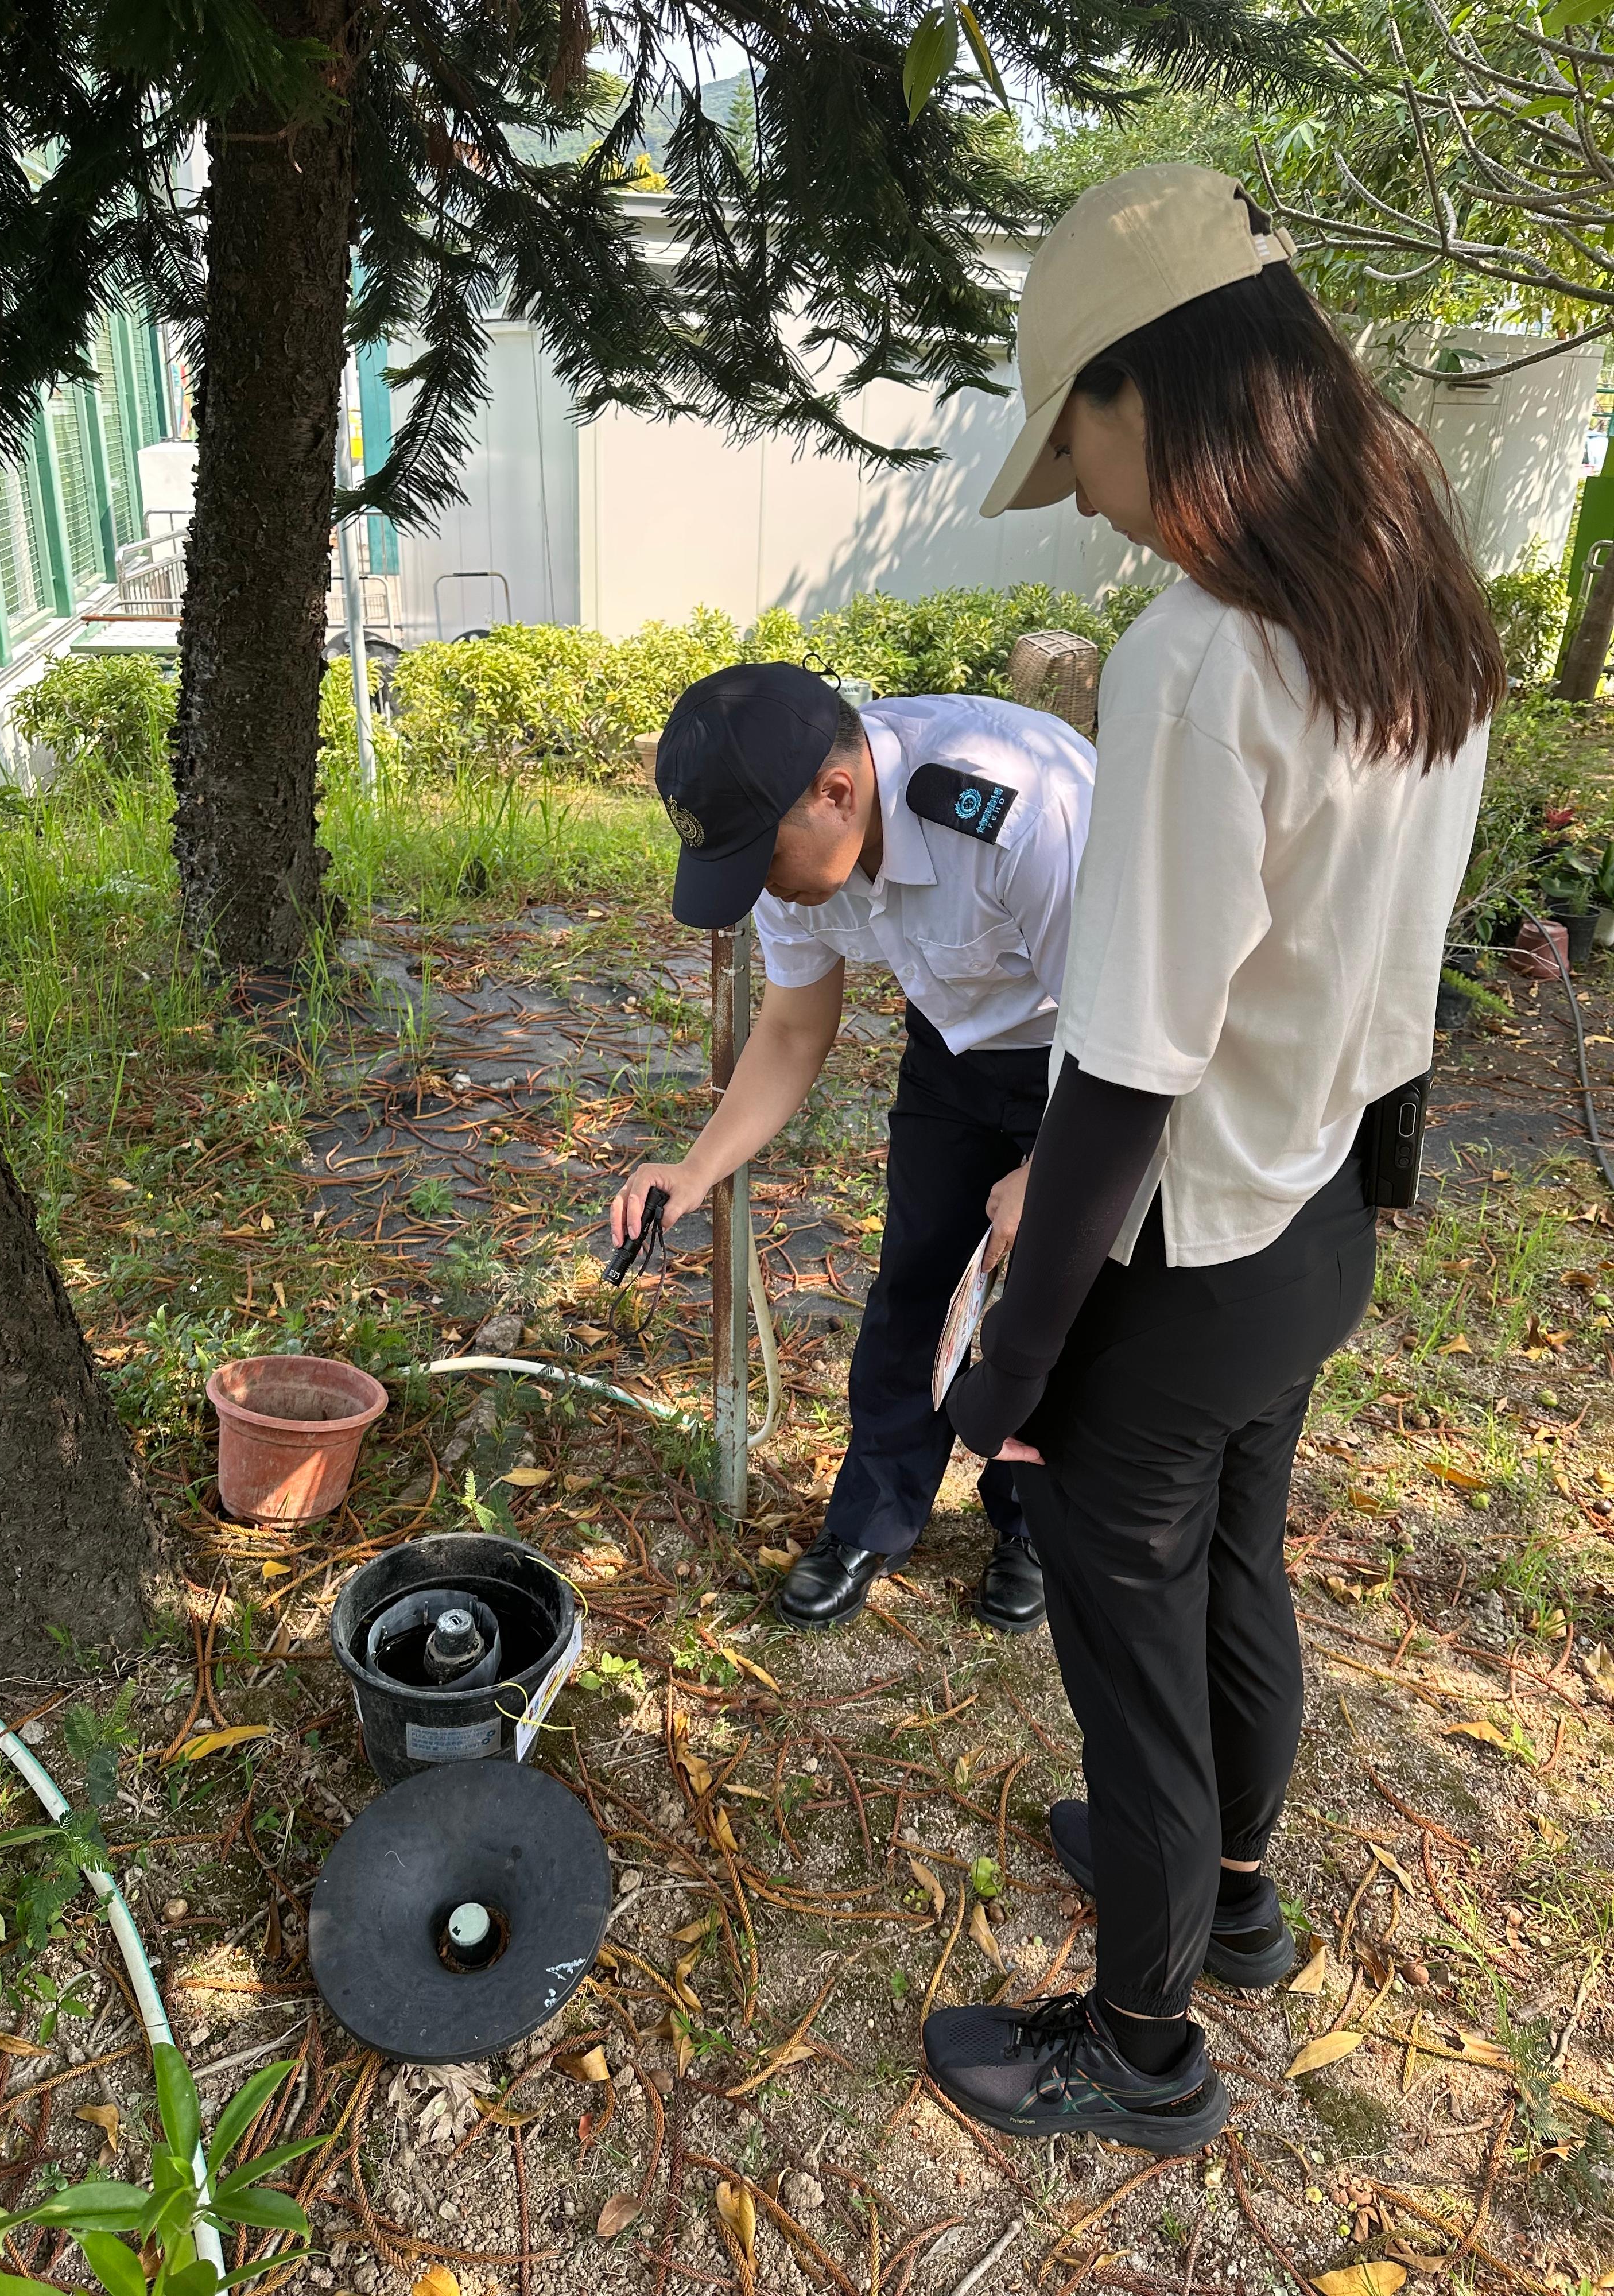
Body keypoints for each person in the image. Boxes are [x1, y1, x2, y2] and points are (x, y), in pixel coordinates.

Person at [917, 163, 1503, 2155]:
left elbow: (1127, 1071)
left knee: (1132, 1653)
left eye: (1072, 430)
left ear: (1147, 386)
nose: (1077, 486)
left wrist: (1010, 1372)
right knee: (1238, 1576)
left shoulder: (1198, 653)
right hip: (1324, 1204)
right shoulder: (1413, 587)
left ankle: (1144, 2047)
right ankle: (1233, 1904)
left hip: (1185, 1259)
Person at [608, 662, 1093, 1631]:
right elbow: (792, 1030)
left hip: (1088, 1058)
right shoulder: (794, 838)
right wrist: (696, 1167)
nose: (761, 889)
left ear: (838, 794)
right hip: (953, 1052)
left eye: (762, 860)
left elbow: (1128, 1032)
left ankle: (1036, 1525)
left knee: (1048, 1301)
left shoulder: (1021, 814)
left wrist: (1048, 1175)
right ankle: (872, 1520)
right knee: (914, 1285)